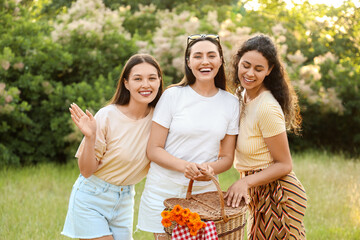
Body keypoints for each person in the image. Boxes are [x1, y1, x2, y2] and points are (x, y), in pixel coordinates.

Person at [137, 34, 240, 240]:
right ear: (188, 62)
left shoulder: (231, 103)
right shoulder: (172, 96)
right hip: (163, 192)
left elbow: (227, 158)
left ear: (220, 60)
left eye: (211, 55)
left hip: (204, 198)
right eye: (198, 56)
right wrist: (185, 167)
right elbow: (154, 149)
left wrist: (210, 169)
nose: (205, 61)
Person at [61, 54, 164, 240]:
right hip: (91, 197)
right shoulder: (107, 115)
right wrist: (90, 137)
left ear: (159, 81)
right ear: (126, 83)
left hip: (124, 199)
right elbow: (86, 171)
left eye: (152, 78)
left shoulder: (160, 119)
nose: (146, 85)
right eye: (138, 79)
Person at [224, 34, 307, 239]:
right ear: (238, 62)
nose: (249, 73)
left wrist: (245, 183)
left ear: (269, 71)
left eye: (258, 69)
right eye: (246, 65)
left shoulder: (267, 107)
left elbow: (284, 164)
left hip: (278, 196)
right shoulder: (241, 96)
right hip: (257, 193)